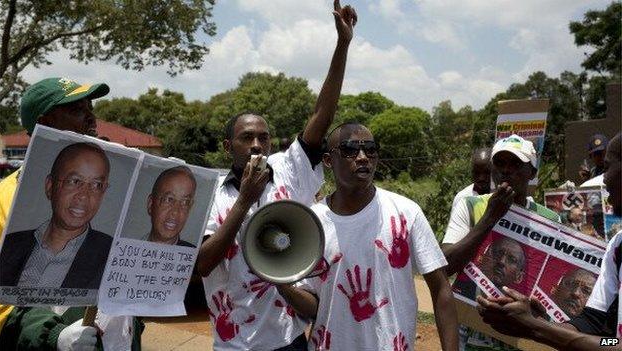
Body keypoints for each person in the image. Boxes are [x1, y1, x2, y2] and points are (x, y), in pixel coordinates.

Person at [195, 2, 356, 349]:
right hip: (235, 343)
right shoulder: (210, 194)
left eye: (263, 137)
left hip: (290, 337)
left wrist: (342, 45)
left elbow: (321, 115)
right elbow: (205, 264)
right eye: (246, 137)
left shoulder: (289, 168)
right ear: (228, 146)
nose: (256, 144)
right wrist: (245, 202)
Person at [275, 122, 459, 350]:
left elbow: (441, 289)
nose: (362, 157)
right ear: (328, 160)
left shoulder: (405, 213)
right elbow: (315, 306)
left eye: (370, 149)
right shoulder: (312, 223)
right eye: (350, 150)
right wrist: (282, 285)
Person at [0, 77, 142, 351]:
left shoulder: (115, 191)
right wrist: (53, 336)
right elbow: (2, 306)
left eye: (91, 108)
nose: (91, 118)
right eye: (77, 110)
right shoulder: (4, 199)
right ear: (44, 124)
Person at [477, 133, 622, 351]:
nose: (603, 178)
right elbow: (598, 327)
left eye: (609, 167)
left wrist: (535, 328)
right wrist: (543, 323)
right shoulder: (617, 246)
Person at [441, 134, 560, 350]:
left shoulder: (550, 220)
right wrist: (490, 217)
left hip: (525, 336)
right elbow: (445, 265)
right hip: (476, 331)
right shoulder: (470, 206)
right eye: (500, 163)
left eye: (516, 163)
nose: (506, 170)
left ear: (532, 172)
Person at [0, 143, 112, 289]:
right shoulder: (9, 245)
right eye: (74, 181)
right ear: (50, 187)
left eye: (96, 185)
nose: (84, 196)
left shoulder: (112, 256)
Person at [145, 166, 197, 247]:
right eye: (169, 199)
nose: (175, 212)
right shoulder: (124, 247)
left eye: (185, 202)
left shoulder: (196, 256)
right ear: (150, 204)